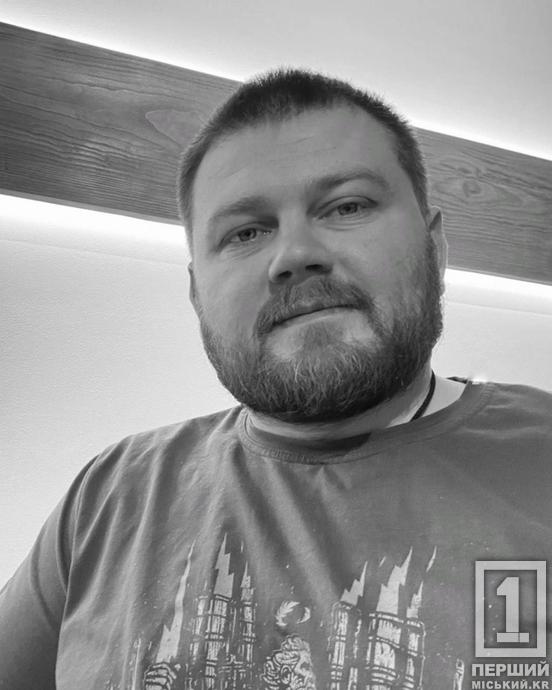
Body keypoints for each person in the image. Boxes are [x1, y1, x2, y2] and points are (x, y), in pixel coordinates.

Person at [0, 67, 550, 690]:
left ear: (435, 247)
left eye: (347, 206)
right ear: (196, 293)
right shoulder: (109, 495)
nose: (295, 255)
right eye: (246, 232)